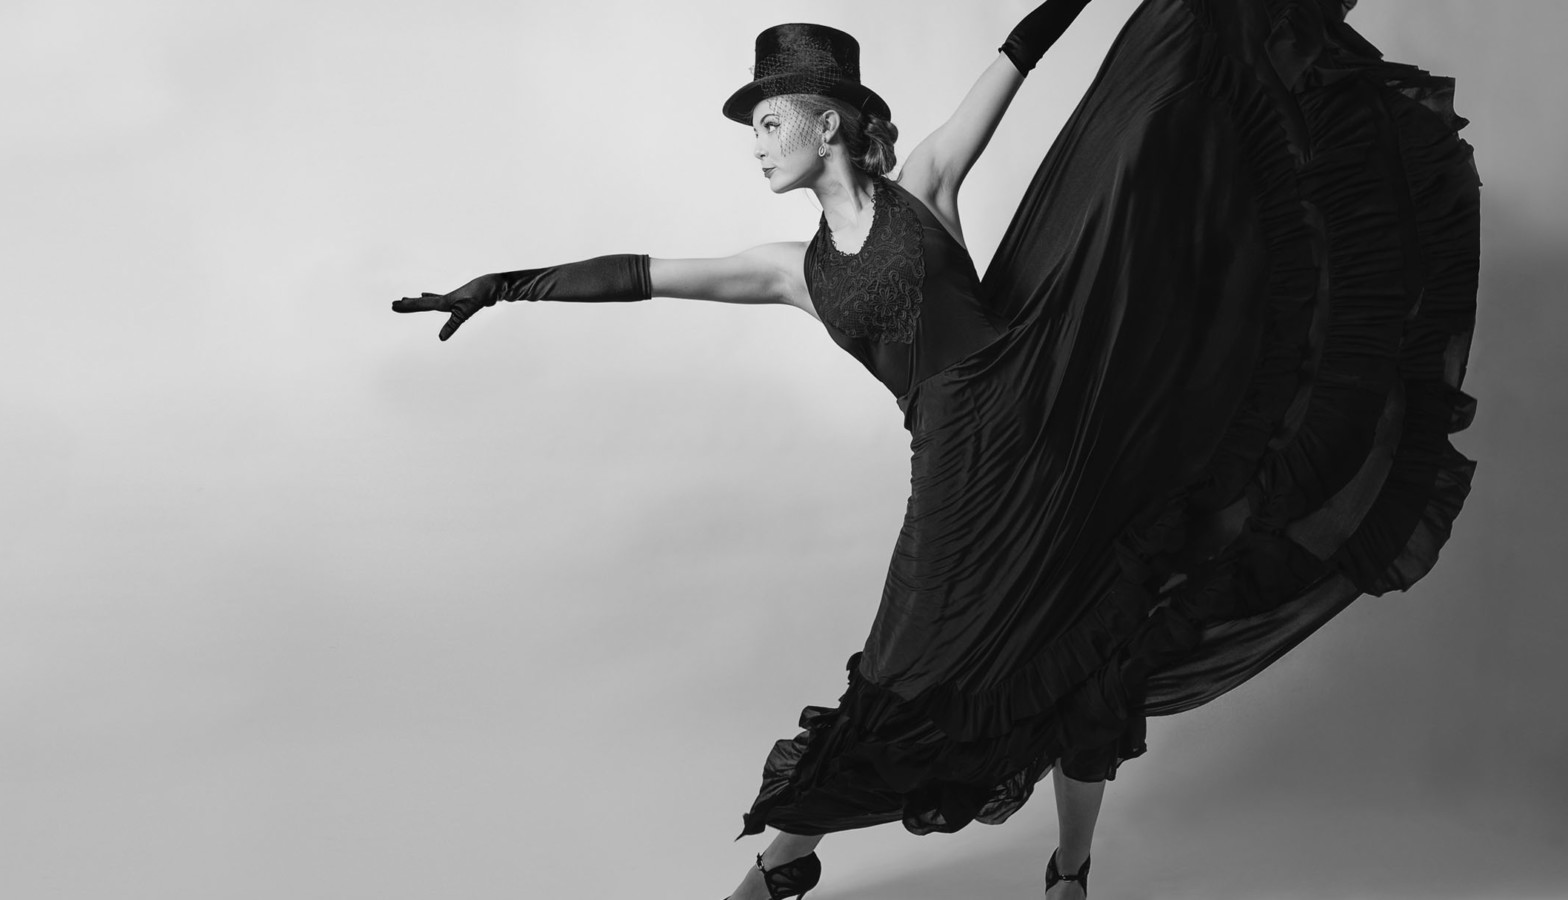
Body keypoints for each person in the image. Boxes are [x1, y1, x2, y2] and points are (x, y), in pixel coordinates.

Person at [392, 1, 1480, 898]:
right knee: (905, 669)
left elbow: (1019, 53)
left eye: (767, 122)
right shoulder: (792, 270)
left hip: (1055, 424)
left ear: (827, 123)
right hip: (961, 475)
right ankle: (788, 858)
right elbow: (642, 275)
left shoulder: (926, 186)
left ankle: (1067, 873)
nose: (755, 145)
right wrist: (504, 286)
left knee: (1093, 641)